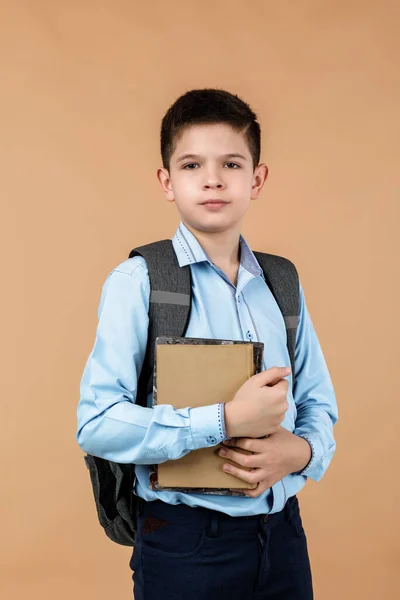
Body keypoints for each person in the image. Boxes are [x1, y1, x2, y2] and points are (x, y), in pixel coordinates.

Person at [76, 88, 338, 599]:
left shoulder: (282, 282)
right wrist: (224, 421)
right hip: (185, 543)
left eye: (232, 164)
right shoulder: (139, 281)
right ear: (166, 182)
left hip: (283, 536)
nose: (213, 179)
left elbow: (319, 403)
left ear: (257, 179)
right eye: (192, 164)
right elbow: (96, 422)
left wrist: (302, 451)